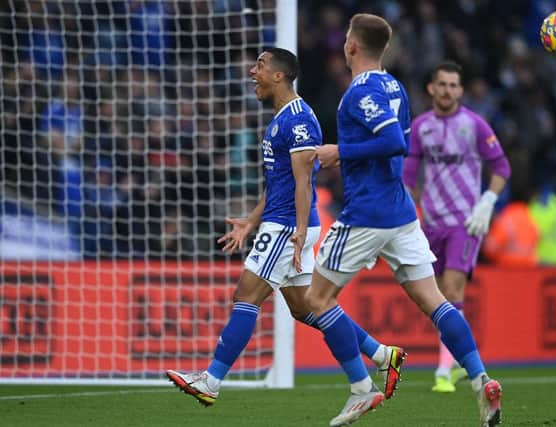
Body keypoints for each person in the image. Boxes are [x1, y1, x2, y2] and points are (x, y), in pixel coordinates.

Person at [165, 47, 401, 408]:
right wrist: (250, 221)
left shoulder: (299, 119)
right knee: (306, 307)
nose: (251, 71)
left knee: (247, 295)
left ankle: (211, 381)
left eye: (260, 65)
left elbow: (304, 182)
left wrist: (300, 230)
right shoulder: (281, 118)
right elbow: (278, 183)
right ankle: (381, 354)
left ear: (279, 75)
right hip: (283, 222)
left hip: (288, 226)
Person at [309, 14, 503, 427]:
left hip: (366, 213)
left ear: (352, 47)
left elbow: (396, 142)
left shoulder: (359, 92)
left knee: (316, 299)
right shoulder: (394, 85)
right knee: (437, 303)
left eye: (346, 38)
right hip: (400, 214)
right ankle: (480, 379)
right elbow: (400, 139)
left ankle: (362, 389)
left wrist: (339, 151)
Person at [402, 61, 511, 393]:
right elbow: (408, 174)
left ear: (461, 91)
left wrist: (486, 202)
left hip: (465, 222)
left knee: (452, 292)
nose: (447, 90)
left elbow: (501, 167)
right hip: (430, 224)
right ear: (431, 89)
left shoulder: (475, 125)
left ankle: (443, 371)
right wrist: (409, 210)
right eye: (442, 84)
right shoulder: (421, 127)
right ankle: (463, 360)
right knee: (437, 298)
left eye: (453, 85)